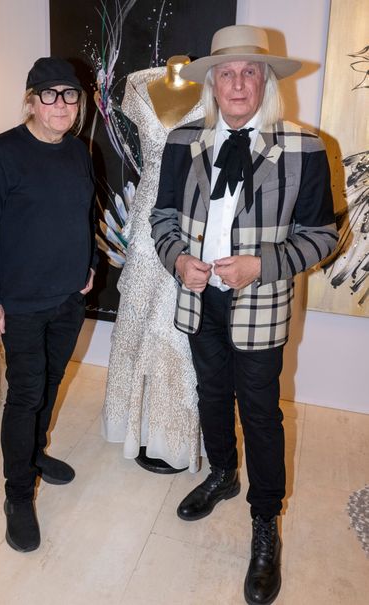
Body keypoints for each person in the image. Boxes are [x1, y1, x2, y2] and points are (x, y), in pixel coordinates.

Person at [150, 25, 338, 605]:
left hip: (261, 304)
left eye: (248, 72)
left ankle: (264, 521)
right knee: (211, 394)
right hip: (198, 298)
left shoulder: (305, 147)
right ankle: (223, 474)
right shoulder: (183, 141)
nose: (237, 83)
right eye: (226, 73)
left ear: (266, 82)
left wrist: (262, 265)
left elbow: (323, 235)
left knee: (259, 412)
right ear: (212, 84)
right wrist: (178, 260)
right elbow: (161, 218)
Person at [0, 57, 96, 553]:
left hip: (68, 298)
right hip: (19, 302)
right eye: (49, 94)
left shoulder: (79, 152)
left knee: (50, 383)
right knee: (25, 394)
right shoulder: (1, 155)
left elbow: (83, 214)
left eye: (69, 94)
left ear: (79, 103)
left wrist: (88, 265)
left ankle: (35, 454)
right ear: (31, 101)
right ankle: (18, 495)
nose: (61, 104)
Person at [102, 57, 203, 473]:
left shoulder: (212, 91)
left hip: (192, 220)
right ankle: (137, 426)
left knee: (176, 329)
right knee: (138, 322)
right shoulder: (138, 90)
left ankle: (173, 436)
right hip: (147, 221)